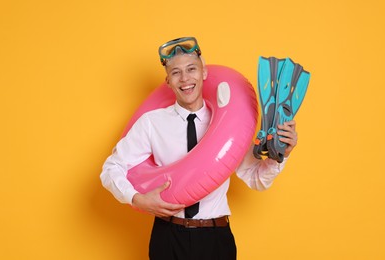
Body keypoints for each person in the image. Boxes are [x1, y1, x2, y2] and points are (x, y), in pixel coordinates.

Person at [100, 37, 298, 260]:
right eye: (176, 73)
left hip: (215, 237)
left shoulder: (229, 125)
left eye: (191, 69)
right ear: (168, 81)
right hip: (168, 236)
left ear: (204, 72)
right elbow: (111, 168)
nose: (185, 79)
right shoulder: (151, 123)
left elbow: (256, 179)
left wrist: (281, 154)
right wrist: (136, 198)